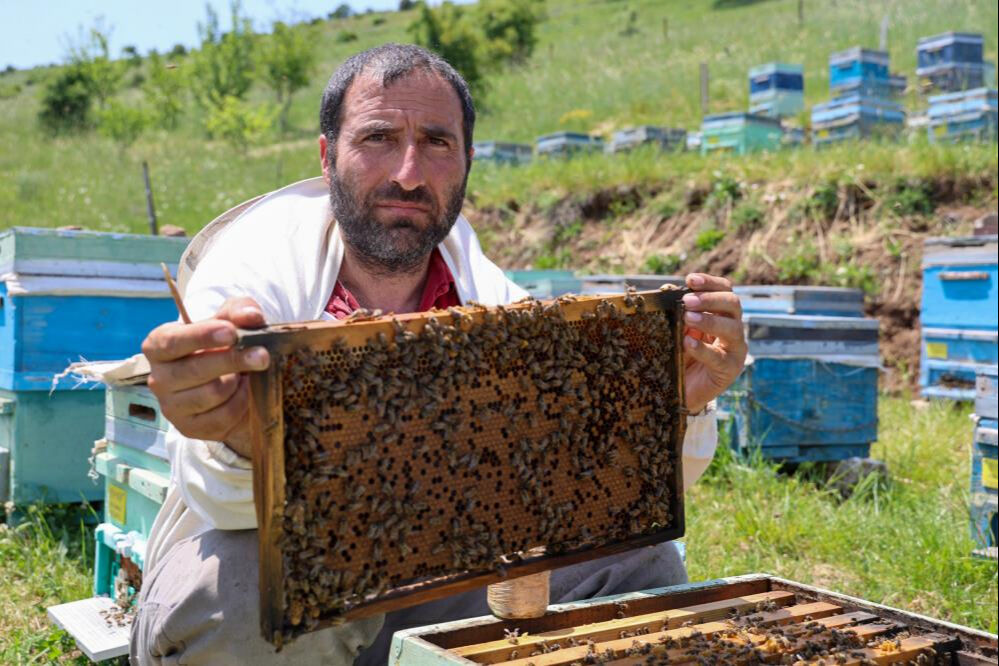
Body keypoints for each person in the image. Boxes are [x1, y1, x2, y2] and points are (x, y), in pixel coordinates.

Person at [132, 43, 747, 665]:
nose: (408, 172)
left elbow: (585, 490)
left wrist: (671, 404)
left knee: (642, 563)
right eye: (377, 137)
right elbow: (218, 500)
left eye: (436, 142)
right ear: (326, 157)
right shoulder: (249, 277)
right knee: (245, 589)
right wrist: (240, 435)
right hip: (268, 587)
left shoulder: (494, 297)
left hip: (435, 576)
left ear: (468, 162)